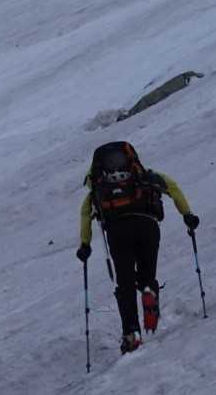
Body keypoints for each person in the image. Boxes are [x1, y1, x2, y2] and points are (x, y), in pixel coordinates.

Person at [75, 141, 199, 354]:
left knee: (125, 283)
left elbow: (85, 214)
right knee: (146, 274)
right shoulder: (144, 177)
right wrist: (187, 215)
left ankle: (131, 334)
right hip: (147, 226)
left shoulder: (98, 189)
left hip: (117, 233)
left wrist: (85, 245)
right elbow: (172, 187)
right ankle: (149, 289)